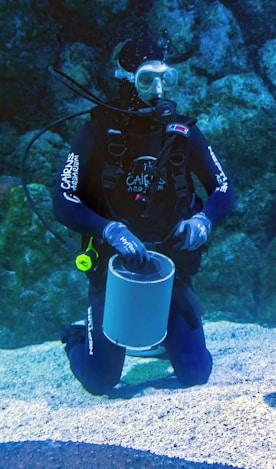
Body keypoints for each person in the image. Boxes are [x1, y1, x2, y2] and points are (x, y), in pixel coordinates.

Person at [53, 35, 235, 395]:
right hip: (113, 274)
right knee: (101, 381)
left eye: (167, 77)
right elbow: (63, 199)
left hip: (171, 271)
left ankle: (162, 338)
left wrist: (204, 221)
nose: (159, 89)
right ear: (125, 80)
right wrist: (108, 230)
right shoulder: (96, 133)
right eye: (147, 79)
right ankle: (77, 335)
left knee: (197, 372)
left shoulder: (183, 133)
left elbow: (224, 188)